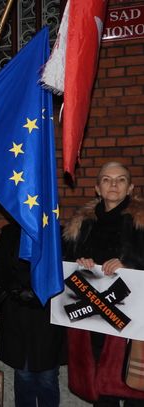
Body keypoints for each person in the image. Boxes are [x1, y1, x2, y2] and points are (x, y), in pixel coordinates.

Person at [63, 161, 144, 406]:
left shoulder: (141, 222)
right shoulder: (81, 224)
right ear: (98, 188)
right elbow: (67, 263)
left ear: (130, 188)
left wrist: (129, 264)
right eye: (107, 180)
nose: (113, 185)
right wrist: (80, 262)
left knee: (134, 390)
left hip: (133, 322)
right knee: (101, 390)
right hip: (95, 320)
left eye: (120, 180)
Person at [0, 222, 66, 407]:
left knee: (47, 375)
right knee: (23, 373)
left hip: (48, 313)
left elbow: (65, 269)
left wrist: (42, 291)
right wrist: (16, 290)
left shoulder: (58, 232)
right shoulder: (11, 232)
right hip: (19, 309)